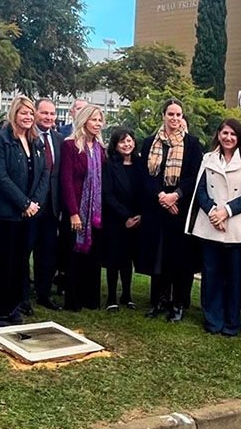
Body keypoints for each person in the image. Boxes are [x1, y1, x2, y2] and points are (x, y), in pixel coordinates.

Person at [186, 119, 241, 336]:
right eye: (224, 133)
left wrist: (227, 211)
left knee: (234, 278)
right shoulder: (208, 158)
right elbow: (200, 190)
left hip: (237, 228)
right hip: (210, 226)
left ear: (239, 137)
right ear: (219, 135)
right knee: (211, 276)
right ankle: (212, 319)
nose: (228, 138)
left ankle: (232, 323)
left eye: (233, 134)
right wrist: (214, 212)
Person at [137, 98, 203, 322]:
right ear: (163, 116)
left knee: (180, 258)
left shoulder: (192, 144)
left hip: (180, 209)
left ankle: (178, 304)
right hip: (157, 208)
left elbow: (194, 176)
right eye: (170, 114)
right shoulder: (149, 143)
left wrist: (176, 195)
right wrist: (161, 197)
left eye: (178, 115)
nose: (174, 119)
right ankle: (159, 300)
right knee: (159, 256)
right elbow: (145, 175)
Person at [0, 96, 49, 325]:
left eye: (31, 114)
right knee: (1, 263)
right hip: (6, 214)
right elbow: (0, 176)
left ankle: (12, 308)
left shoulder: (35, 141)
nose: (28, 118)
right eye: (24, 113)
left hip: (29, 214)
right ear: (14, 114)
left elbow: (44, 174)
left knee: (18, 263)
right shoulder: (0, 140)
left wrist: (34, 204)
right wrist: (23, 203)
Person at [60, 104, 106, 311]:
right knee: (74, 256)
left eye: (100, 120)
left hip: (95, 213)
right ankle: (74, 299)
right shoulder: (70, 145)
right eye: (94, 119)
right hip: (76, 209)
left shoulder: (99, 149)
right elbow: (66, 180)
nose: (97, 124)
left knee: (93, 256)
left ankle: (91, 298)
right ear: (84, 120)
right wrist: (73, 213)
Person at [26, 98, 65, 312]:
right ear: (35, 113)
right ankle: (22, 296)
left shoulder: (59, 139)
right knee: (25, 249)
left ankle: (44, 293)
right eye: (44, 113)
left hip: (52, 206)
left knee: (48, 252)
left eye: (52, 114)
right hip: (30, 204)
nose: (49, 117)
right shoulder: (27, 136)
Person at [101, 127, 143, 311]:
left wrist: (139, 214)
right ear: (115, 145)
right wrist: (124, 216)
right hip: (116, 219)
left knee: (128, 260)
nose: (127, 144)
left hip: (137, 219)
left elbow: (145, 191)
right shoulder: (110, 165)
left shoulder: (140, 164)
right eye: (122, 141)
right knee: (113, 259)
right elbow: (107, 194)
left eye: (129, 140)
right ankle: (111, 298)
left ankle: (127, 295)